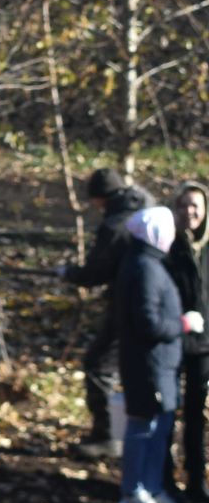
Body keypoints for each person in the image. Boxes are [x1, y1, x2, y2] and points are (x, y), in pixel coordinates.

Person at [115, 201, 192, 503]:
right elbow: (147, 323)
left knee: (159, 428)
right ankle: (134, 492)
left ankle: (152, 487)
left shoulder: (149, 263)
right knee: (143, 428)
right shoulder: (144, 269)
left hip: (161, 364)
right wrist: (183, 325)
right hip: (149, 365)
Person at [64, 167, 150, 446]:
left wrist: (70, 273)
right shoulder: (145, 203)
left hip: (128, 304)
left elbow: (95, 272)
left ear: (99, 198)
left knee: (98, 365)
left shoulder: (115, 225)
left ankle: (108, 435)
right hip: (155, 304)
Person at [167, 182, 209, 503]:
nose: (190, 212)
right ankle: (164, 477)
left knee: (196, 415)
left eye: (195, 205)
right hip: (172, 341)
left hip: (204, 347)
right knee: (167, 410)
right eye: (184, 206)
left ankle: (196, 480)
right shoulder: (167, 245)